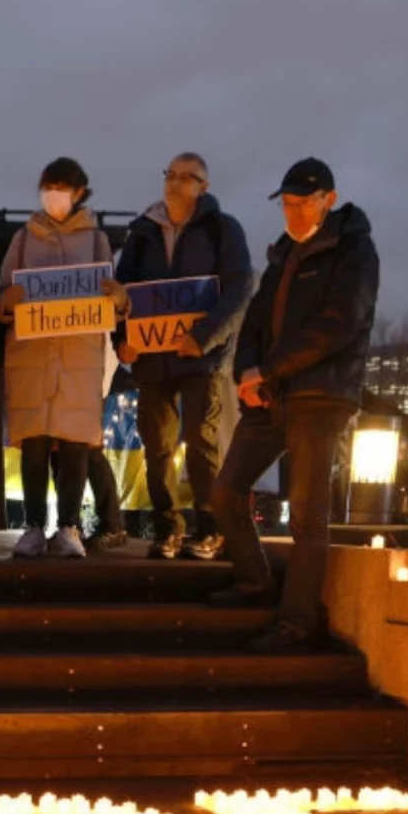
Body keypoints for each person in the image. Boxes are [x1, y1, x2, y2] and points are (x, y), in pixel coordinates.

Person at [209, 157, 379, 653]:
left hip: (321, 395)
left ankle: (297, 623)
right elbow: (256, 321)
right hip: (271, 396)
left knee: (307, 514)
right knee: (226, 491)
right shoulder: (284, 253)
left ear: (329, 198)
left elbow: (340, 322)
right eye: (286, 204)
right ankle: (254, 582)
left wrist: (272, 369)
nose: (293, 213)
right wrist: (247, 373)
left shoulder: (354, 251)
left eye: (302, 203)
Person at [115, 151, 255, 560]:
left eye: (185, 177)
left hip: (201, 360)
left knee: (201, 445)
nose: (175, 182)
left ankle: (211, 528)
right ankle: (168, 529)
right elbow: (122, 293)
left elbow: (238, 289)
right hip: (152, 360)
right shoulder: (142, 232)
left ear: (203, 186)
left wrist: (205, 337)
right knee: (156, 450)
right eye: (170, 175)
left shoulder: (223, 230)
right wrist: (121, 340)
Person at [0, 158, 128, 560]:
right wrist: (7, 302)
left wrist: (119, 300)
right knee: (33, 440)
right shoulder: (23, 238)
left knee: (75, 442)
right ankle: (33, 526)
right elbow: (2, 295)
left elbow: (113, 299)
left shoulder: (96, 239)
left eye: (62, 186)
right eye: (48, 185)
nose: (53, 193)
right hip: (33, 353)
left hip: (78, 355)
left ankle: (68, 525)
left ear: (79, 192)